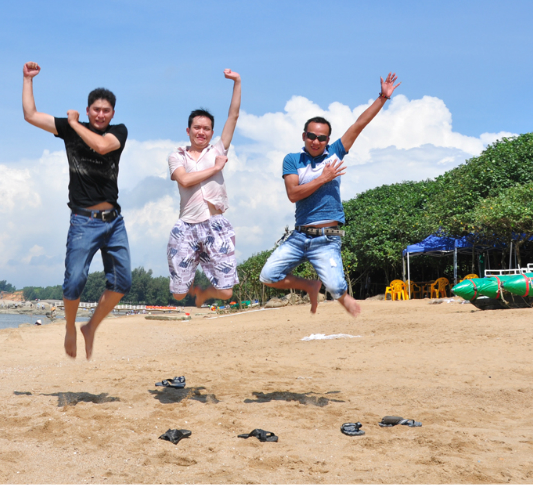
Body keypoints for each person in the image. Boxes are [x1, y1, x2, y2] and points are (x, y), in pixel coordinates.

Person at [260, 73, 401, 317]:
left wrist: (382, 98)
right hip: (299, 236)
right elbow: (293, 194)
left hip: (327, 238)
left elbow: (358, 125)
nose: (316, 141)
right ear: (304, 136)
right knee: (268, 276)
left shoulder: (335, 153)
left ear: (328, 140)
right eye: (312, 136)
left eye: (322, 138)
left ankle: (339, 295)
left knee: (336, 288)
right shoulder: (292, 160)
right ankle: (310, 285)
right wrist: (322, 178)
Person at [21, 61, 132, 359]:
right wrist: (28, 79)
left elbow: (102, 147)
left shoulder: (117, 132)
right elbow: (30, 115)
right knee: (74, 280)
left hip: (114, 221)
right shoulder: (71, 129)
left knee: (123, 282)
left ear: (112, 114)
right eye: (95, 109)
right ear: (87, 109)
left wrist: (72, 124)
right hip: (84, 221)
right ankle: (71, 326)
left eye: (106, 110)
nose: (100, 114)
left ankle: (90, 327)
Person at [167, 69, 242, 308]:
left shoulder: (218, 150)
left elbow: (233, 116)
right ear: (188, 130)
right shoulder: (177, 155)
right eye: (197, 127)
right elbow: (185, 180)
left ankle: (203, 292)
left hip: (215, 224)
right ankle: (187, 283)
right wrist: (215, 169)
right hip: (186, 227)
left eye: (207, 128)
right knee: (178, 294)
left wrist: (237, 82)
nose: (201, 132)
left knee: (227, 292)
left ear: (211, 133)